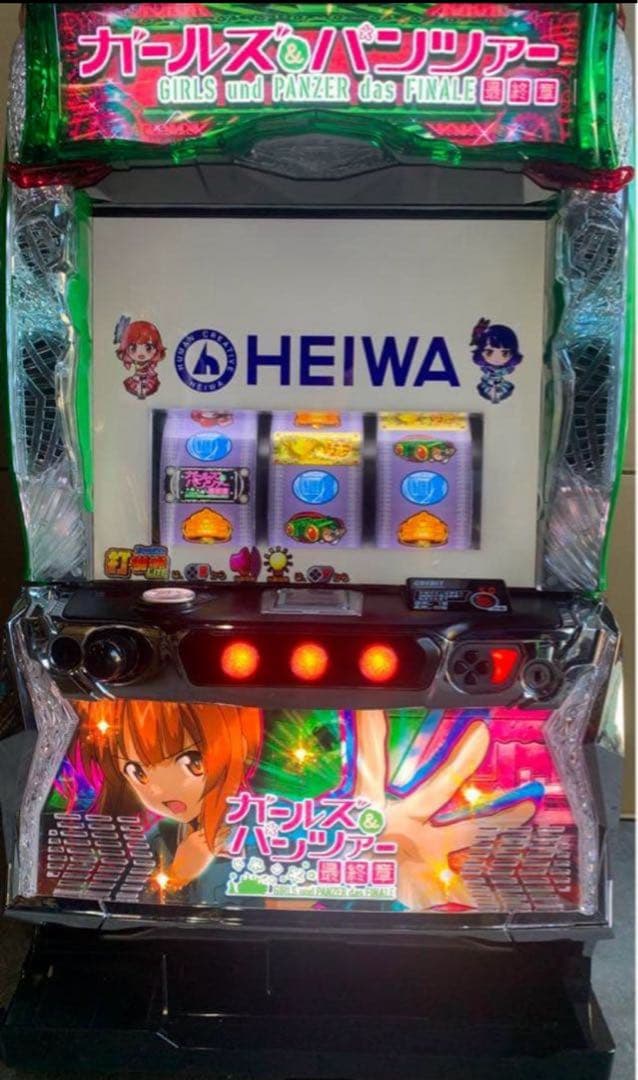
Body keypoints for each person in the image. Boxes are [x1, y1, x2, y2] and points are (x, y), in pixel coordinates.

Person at [77, 699, 262, 903]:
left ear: (240, 748)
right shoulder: (160, 838)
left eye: (192, 763)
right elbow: (129, 904)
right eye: (138, 773)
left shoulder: (272, 825)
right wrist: (177, 877)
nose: (159, 790)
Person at [471, 319, 523, 404]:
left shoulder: (505, 370)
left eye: (505, 353)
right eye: (489, 352)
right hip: (488, 385)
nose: (497, 358)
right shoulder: (486, 369)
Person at [115, 318, 166, 399]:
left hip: (147, 377)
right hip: (138, 376)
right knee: (138, 386)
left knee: (145, 386)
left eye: (148, 348)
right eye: (133, 348)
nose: (141, 353)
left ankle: (142, 394)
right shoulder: (137, 363)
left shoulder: (149, 365)